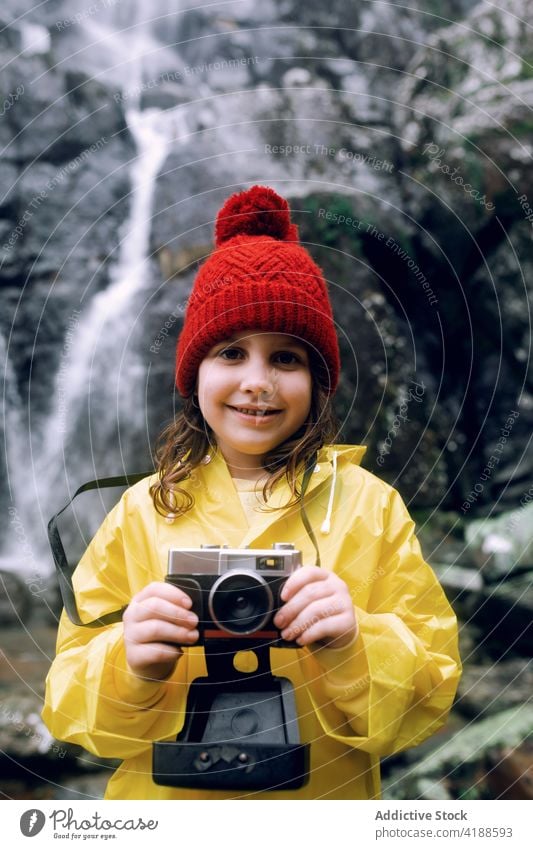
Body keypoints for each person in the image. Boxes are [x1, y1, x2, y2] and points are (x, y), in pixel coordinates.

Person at [42, 185, 461, 800]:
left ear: (318, 382)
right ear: (195, 373)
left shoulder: (370, 508)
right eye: (231, 352)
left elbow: (426, 704)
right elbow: (69, 712)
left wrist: (354, 641)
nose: (257, 383)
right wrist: (127, 662)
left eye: (286, 358)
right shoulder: (140, 512)